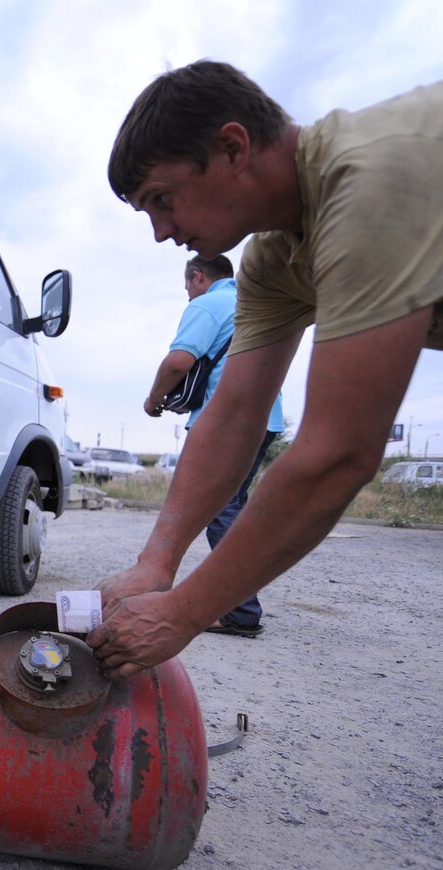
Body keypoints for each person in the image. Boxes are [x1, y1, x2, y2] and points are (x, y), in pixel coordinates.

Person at [87, 61, 442, 680]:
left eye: (162, 200)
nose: (160, 232)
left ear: (233, 147)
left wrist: (183, 613)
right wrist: (157, 563)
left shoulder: (367, 179)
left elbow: (337, 455)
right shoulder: (272, 259)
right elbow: (231, 417)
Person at [144, 254, 284, 637]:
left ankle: (241, 611)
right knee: (231, 506)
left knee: (218, 508)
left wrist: (153, 398)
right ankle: (239, 602)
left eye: (188, 285)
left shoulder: (209, 304)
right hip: (266, 418)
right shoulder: (256, 302)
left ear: (199, 276)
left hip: (227, 421)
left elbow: (178, 362)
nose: (188, 294)